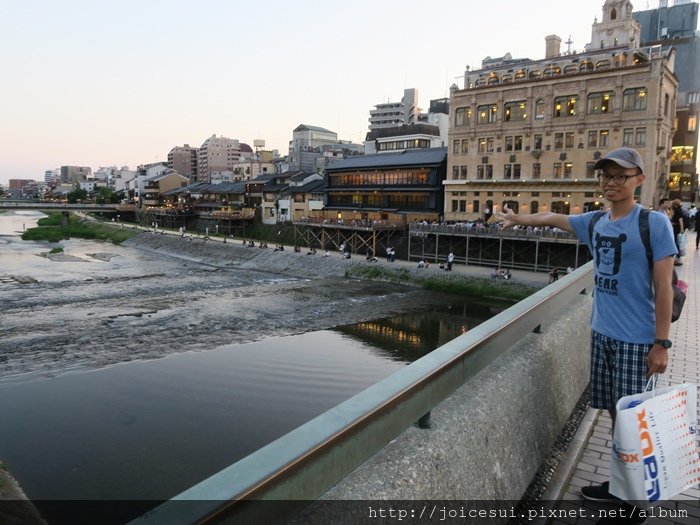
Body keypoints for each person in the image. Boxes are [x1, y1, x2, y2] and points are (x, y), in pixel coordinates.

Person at [496, 147, 676, 521]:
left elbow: (664, 289)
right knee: (614, 413)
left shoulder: (653, 223)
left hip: (637, 339)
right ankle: (619, 485)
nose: (611, 183)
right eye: (606, 176)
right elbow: (554, 217)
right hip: (603, 333)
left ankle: (636, 501)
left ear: (638, 181)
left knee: (633, 420)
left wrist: (661, 344)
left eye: (620, 176)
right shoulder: (596, 221)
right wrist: (518, 219)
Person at [669, 199, 685, 265]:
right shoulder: (677, 210)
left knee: (677, 242)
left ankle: (678, 257)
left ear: (675, 205)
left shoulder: (679, 211)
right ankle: (677, 257)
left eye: (673, 205)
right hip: (676, 227)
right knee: (676, 242)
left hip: (677, 228)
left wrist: (681, 229)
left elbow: (680, 220)